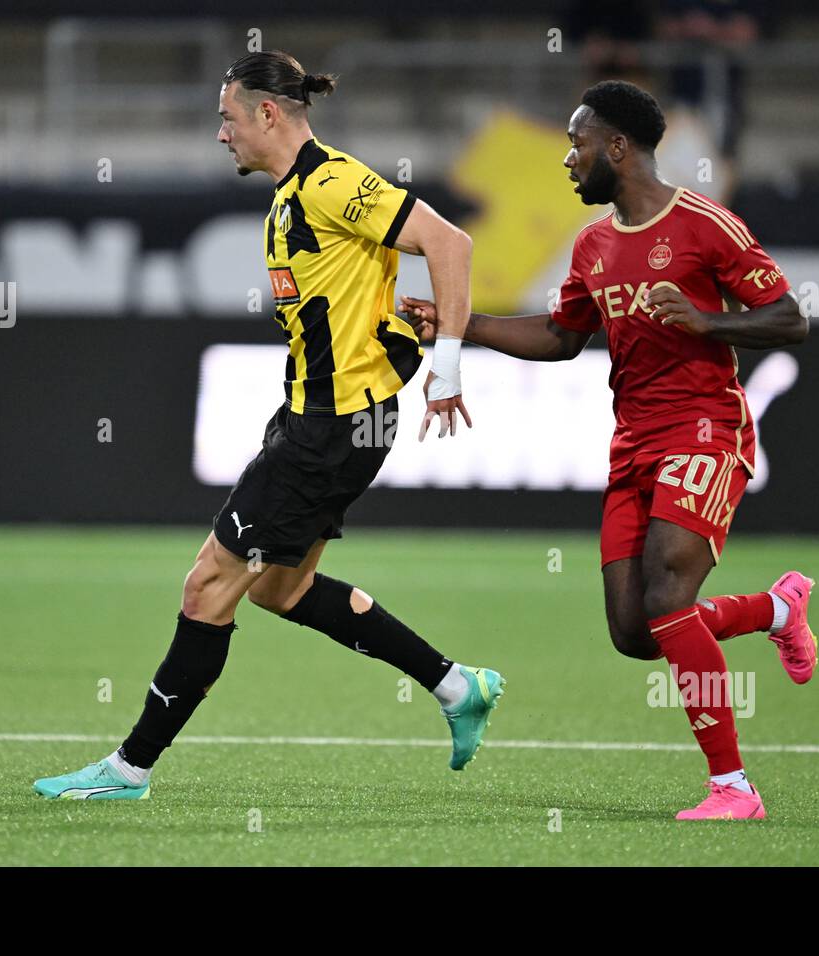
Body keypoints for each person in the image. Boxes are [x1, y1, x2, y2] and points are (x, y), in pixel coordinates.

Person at [34, 50, 503, 800]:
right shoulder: (291, 198)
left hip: (331, 428)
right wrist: (396, 332)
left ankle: (129, 769)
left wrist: (447, 358)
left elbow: (451, 241)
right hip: (323, 421)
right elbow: (354, 297)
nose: (220, 134)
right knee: (279, 590)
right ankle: (456, 686)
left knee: (206, 588)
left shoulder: (330, 182)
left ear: (268, 114)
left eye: (226, 118)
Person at [402, 80, 814, 820]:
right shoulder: (592, 244)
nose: (567, 159)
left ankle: (734, 789)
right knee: (636, 633)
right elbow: (563, 338)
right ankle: (775, 611)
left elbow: (788, 318)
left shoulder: (706, 225)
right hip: (633, 443)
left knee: (666, 600)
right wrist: (458, 325)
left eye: (577, 143)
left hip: (705, 429)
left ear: (618, 148)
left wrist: (703, 323)